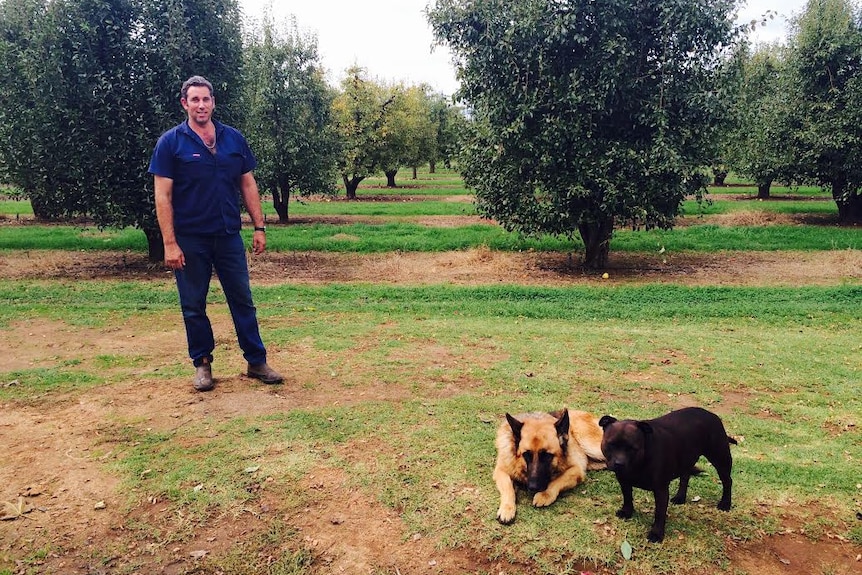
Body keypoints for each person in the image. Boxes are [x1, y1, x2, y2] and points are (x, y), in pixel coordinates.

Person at [148, 75, 284, 392]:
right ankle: (203, 364)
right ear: (185, 104)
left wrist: (259, 226)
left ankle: (256, 361)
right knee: (194, 304)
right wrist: (169, 243)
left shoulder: (233, 139)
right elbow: (162, 196)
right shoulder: (170, 143)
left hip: (227, 236)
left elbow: (248, 184)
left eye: (206, 99)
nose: (201, 105)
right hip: (190, 239)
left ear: (213, 102)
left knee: (243, 300)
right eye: (194, 100)